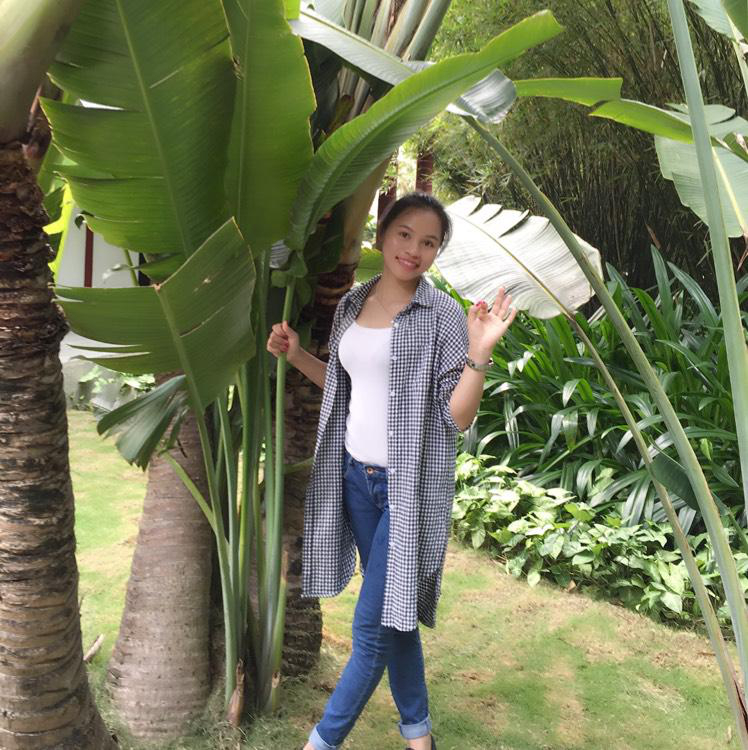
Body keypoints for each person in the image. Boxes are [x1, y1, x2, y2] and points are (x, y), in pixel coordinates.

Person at [266, 192, 516, 750]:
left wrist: (479, 353)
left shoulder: (443, 316)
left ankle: (321, 742)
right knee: (394, 614)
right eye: (405, 234)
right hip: (354, 479)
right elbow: (345, 385)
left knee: (370, 629)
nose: (414, 249)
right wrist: (297, 355)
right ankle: (419, 737)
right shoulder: (352, 304)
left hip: (409, 491)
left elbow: (456, 417)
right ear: (382, 235)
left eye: (429, 242)